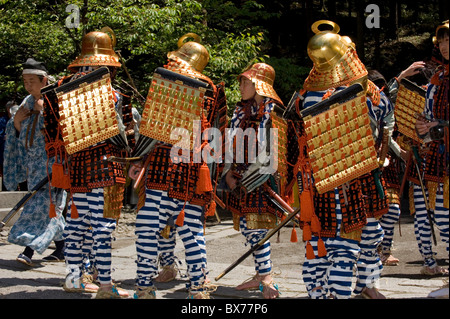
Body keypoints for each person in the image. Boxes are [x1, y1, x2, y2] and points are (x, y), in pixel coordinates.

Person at [296, 20, 390, 299]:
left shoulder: (312, 93)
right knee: (340, 247)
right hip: (337, 180)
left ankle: (364, 285)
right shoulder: (324, 95)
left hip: (348, 176)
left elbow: (384, 117)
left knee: (359, 238)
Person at [132, 34, 226, 299]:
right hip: (193, 172)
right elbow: (217, 135)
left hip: (162, 168)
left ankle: (144, 287)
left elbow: (150, 129)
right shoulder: (213, 89)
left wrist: (139, 159)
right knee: (192, 232)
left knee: (148, 229)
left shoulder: (166, 80)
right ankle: (198, 288)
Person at [60, 28, 130, 298]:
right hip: (104, 166)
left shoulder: (66, 91)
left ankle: (73, 277)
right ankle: (105, 285)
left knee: (76, 225)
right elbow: (119, 134)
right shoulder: (111, 94)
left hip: (78, 168)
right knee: (103, 228)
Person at [222, 62, 285, 299]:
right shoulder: (240, 110)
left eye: (245, 81)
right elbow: (231, 142)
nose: (240, 86)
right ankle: (261, 274)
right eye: (241, 81)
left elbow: (271, 151)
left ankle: (266, 277)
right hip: (239, 177)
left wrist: (249, 177)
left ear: (259, 84)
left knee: (257, 228)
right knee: (250, 228)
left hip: (262, 178)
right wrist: (229, 172)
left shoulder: (273, 110)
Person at [3, 58, 66, 266]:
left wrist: (45, 113)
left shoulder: (56, 101)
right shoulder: (25, 103)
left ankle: (28, 251)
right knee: (49, 208)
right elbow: (18, 136)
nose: (28, 85)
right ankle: (62, 248)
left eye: (32, 81)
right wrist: (18, 122)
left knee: (44, 207)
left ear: (44, 80)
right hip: (34, 164)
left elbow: (64, 132)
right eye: (25, 81)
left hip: (54, 164)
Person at [413, 20, 449, 279]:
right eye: (442, 41)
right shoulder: (437, 79)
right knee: (441, 217)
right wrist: (423, 127)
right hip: (437, 157)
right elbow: (426, 117)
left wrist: (440, 125)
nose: (446, 46)